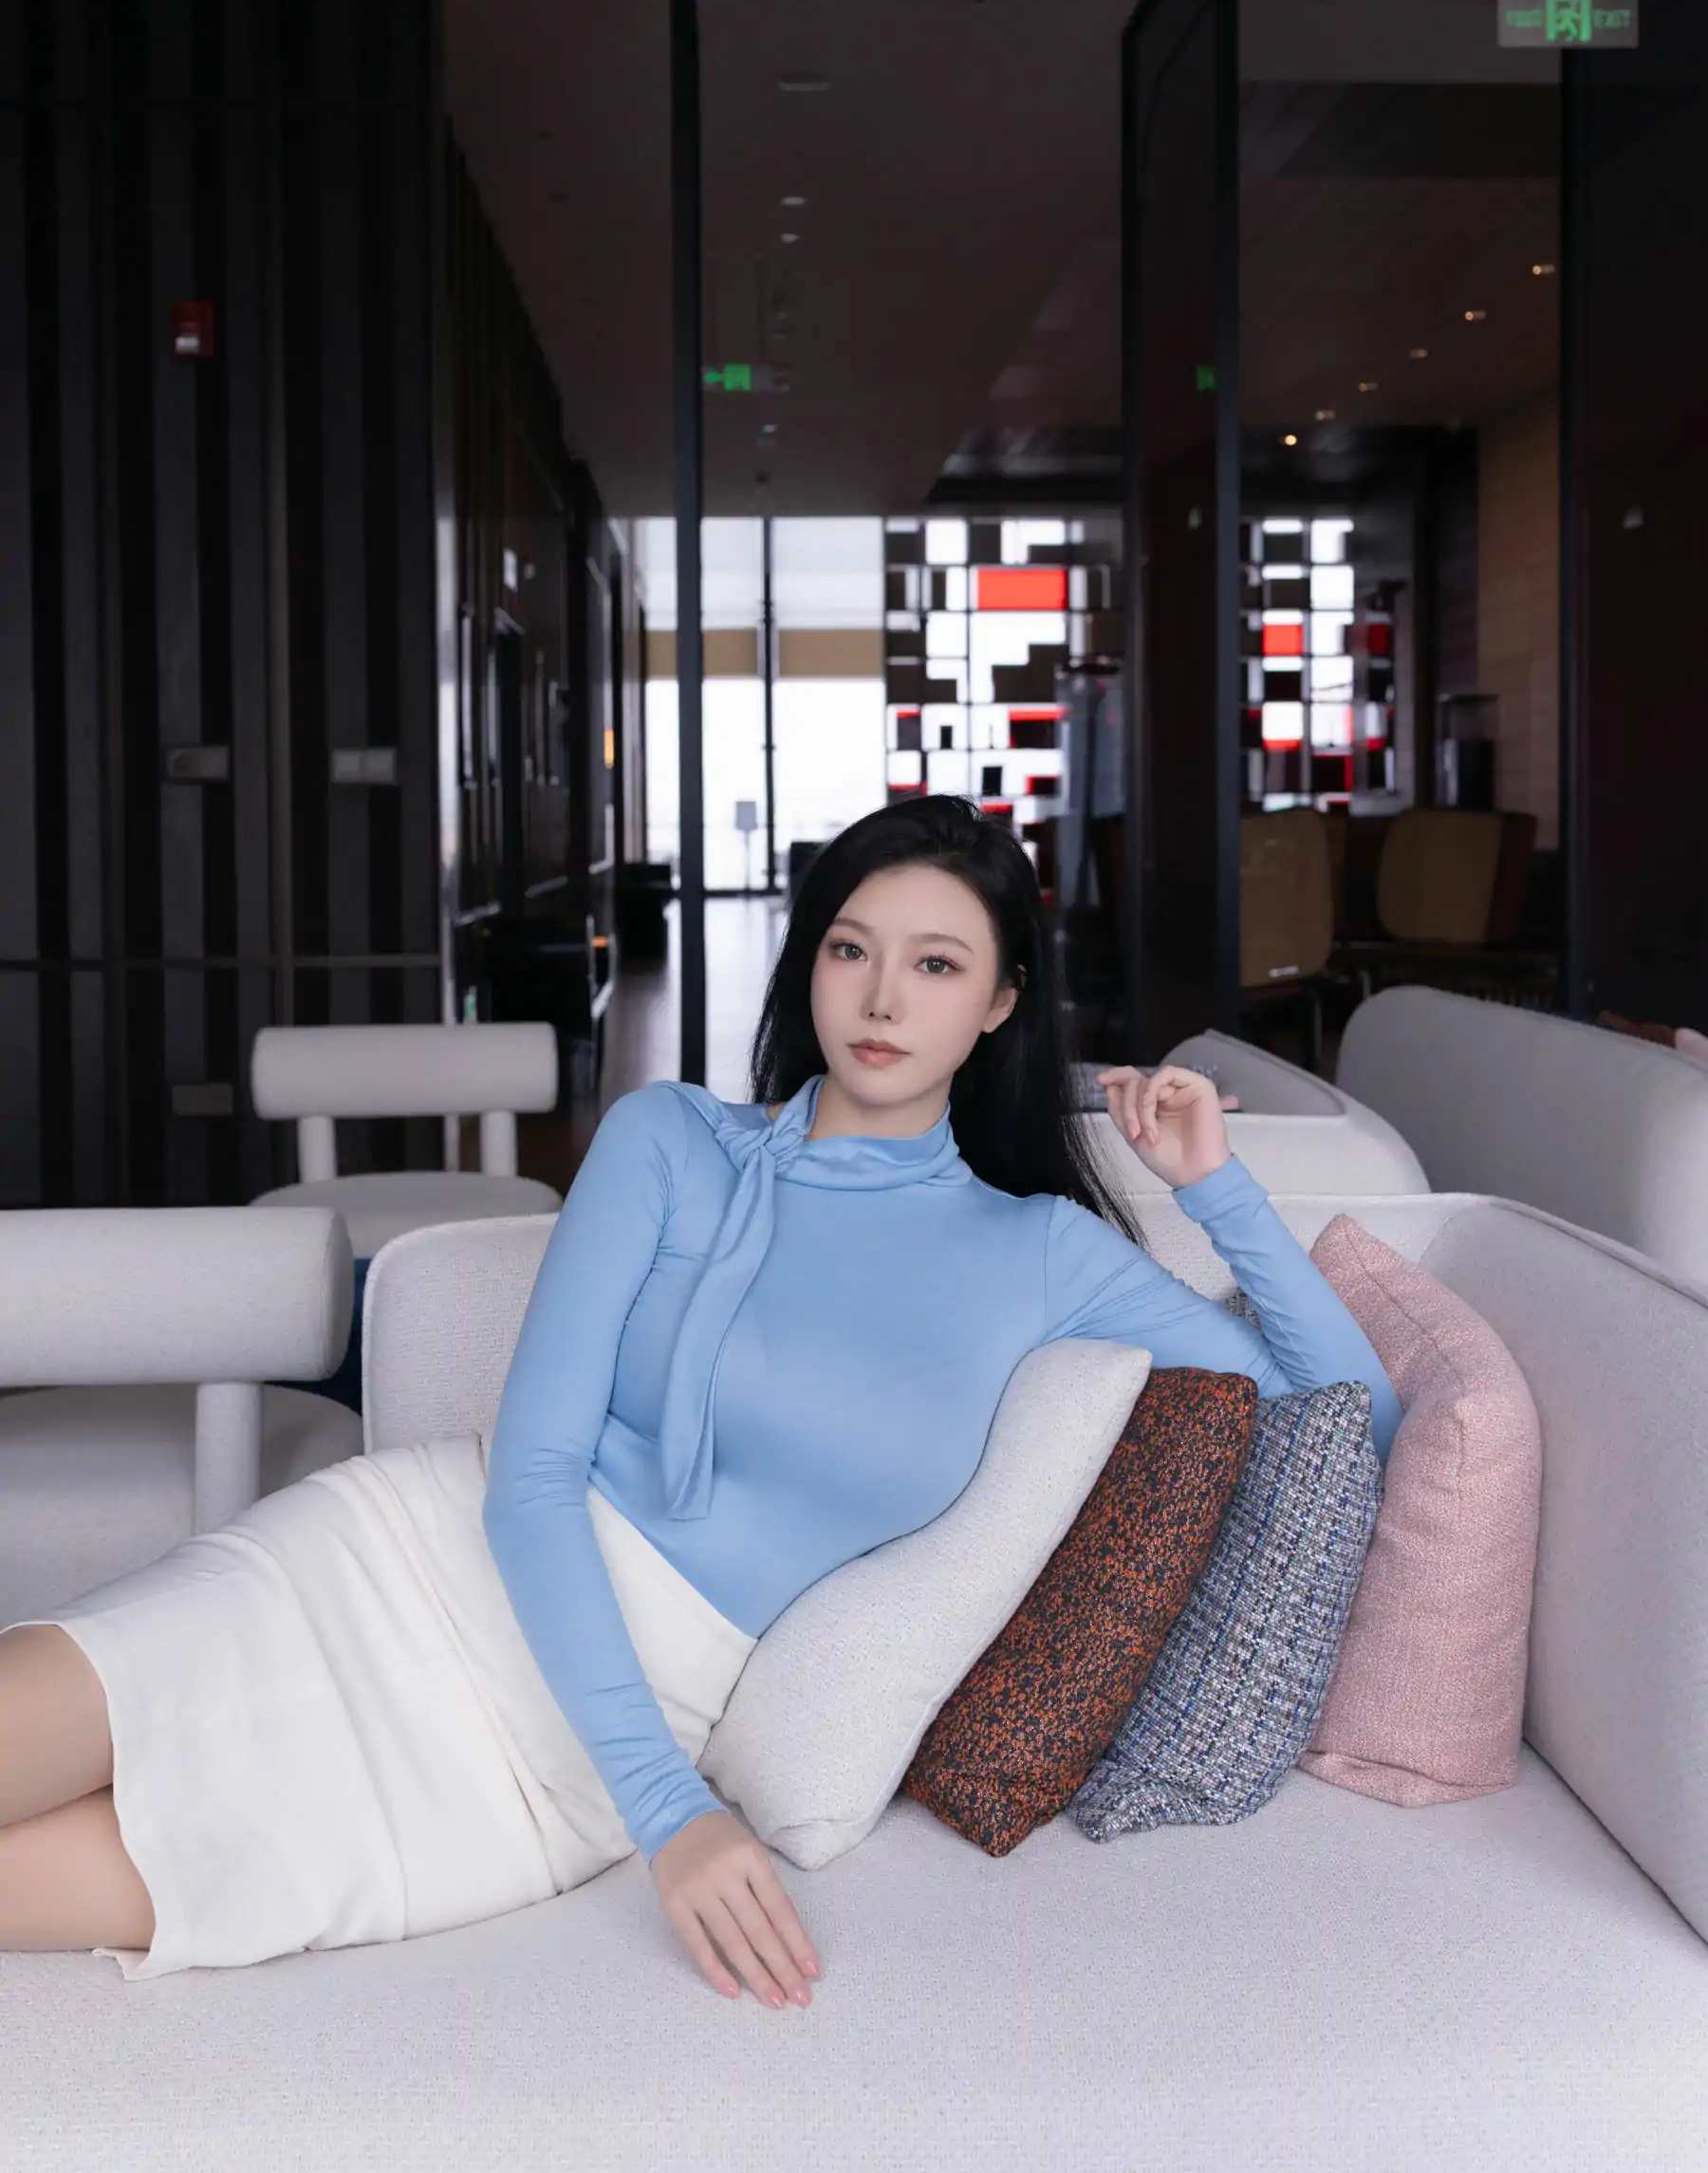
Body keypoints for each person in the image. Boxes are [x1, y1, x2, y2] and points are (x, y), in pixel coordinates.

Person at [0, 795, 1399, 2002]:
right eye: (850, 949)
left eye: (935, 964)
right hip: (412, 1573)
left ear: (1001, 1001)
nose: (882, 999)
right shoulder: (671, 1140)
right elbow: (532, 1478)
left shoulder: (1045, 1255)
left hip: (543, 1775)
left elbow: (1349, 1421)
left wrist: (1214, 1187)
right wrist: (673, 1816)